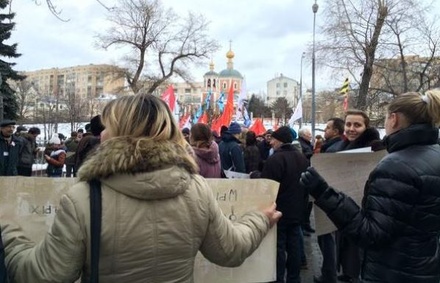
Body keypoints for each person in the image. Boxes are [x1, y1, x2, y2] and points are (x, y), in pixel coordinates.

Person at [1, 94, 282, 283]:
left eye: (108, 126)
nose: (101, 134)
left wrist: (9, 233)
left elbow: (47, 274)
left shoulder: (83, 197)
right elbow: (230, 250)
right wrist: (260, 218)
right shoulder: (196, 188)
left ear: (123, 132)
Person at [300, 90, 440, 283]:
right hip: (425, 267)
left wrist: (324, 193)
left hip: (393, 270)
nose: (351, 128)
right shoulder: (434, 153)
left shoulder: (395, 165)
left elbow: (371, 235)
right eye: (348, 124)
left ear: (394, 119)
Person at [261, 126, 309, 283]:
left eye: (273, 139)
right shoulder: (302, 158)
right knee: (294, 247)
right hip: (297, 211)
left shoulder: (275, 159)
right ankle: (294, 279)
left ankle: (278, 278)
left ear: (280, 140)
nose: (271, 142)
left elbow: (266, 187)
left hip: (279, 211)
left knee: (278, 248)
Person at [313, 117, 345, 283]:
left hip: (328, 199)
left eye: (327, 128)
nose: (324, 131)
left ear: (336, 131)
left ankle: (329, 276)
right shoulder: (333, 147)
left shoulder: (333, 150)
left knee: (327, 239)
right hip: (332, 198)